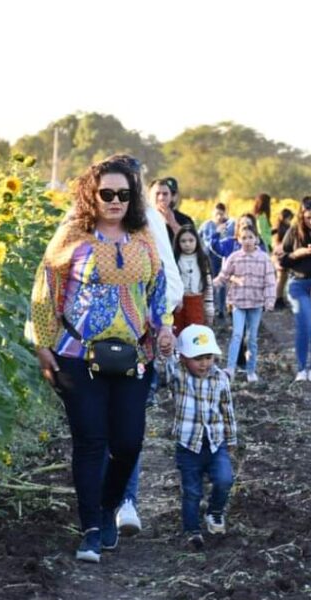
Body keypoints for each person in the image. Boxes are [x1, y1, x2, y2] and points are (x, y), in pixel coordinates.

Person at [28, 157, 174, 564]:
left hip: (134, 355)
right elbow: (46, 287)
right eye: (106, 193)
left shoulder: (143, 236)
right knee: (91, 442)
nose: (115, 201)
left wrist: (163, 328)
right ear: (91, 195)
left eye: (123, 195)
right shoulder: (72, 235)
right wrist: (42, 343)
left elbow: (157, 288)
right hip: (77, 355)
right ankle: (91, 527)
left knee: (128, 443)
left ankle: (110, 506)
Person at [104, 156, 184, 538]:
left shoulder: (150, 220)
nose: (123, 194)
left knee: (127, 426)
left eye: (131, 185)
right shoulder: (87, 218)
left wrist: (163, 321)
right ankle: (101, 507)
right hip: (93, 340)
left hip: (139, 340)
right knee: (96, 427)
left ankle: (124, 502)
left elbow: (170, 277)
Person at [168, 324, 237, 550]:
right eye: (198, 358)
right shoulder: (179, 376)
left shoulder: (220, 379)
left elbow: (227, 409)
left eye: (208, 357)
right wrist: (165, 347)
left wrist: (232, 439)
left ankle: (215, 511)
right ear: (184, 358)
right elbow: (163, 368)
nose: (204, 363)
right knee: (192, 491)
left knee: (225, 479)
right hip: (189, 446)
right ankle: (192, 530)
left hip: (216, 443)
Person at [212, 222, 276, 382]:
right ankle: (230, 369)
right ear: (238, 240)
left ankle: (251, 370)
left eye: (250, 238)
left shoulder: (263, 259)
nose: (247, 241)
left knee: (252, 337)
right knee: (237, 334)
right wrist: (212, 284)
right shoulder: (234, 257)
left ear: (256, 239)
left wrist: (270, 300)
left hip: (256, 303)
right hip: (238, 302)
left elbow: (270, 281)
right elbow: (224, 275)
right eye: (244, 238)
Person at [280, 197, 311, 382]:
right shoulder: (294, 231)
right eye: (308, 218)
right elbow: (282, 259)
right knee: (304, 322)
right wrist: (297, 253)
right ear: (302, 216)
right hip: (298, 284)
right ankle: (302, 368)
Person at [173, 225, 215, 335]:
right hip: (178, 304)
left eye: (191, 240)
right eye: (183, 241)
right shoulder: (174, 260)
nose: (187, 244)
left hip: (196, 302)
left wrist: (209, 308)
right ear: (178, 243)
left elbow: (208, 285)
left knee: (195, 336)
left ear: (197, 240)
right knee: (179, 335)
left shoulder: (203, 259)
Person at [199, 203, 235, 321]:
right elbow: (198, 237)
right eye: (217, 214)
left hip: (224, 257)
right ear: (213, 213)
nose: (219, 216)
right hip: (209, 257)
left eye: (221, 214)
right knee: (212, 281)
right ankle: (211, 308)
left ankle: (222, 308)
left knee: (223, 282)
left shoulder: (230, 225)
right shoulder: (207, 225)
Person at [150, 178, 194, 246]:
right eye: (157, 194)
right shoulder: (142, 218)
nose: (161, 198)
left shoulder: (184, 220)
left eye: (165, 194)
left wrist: (173, 223)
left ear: (171, 197)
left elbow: (191, 245)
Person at [271, 208, 294, 309]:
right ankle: (277, 299)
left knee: (281, 279)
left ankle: (279, 298)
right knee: (281, 279)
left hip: (278, 255)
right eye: (289, 218)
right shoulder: (285, 228)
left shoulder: (278, 227)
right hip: (282, 255)